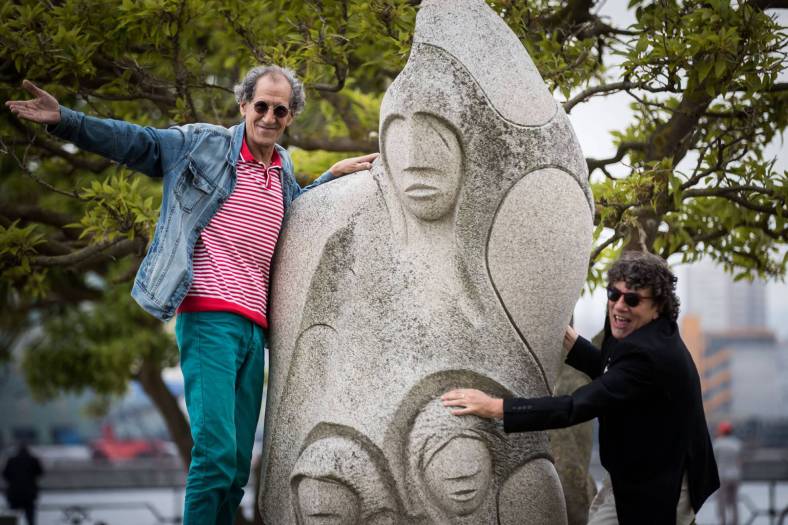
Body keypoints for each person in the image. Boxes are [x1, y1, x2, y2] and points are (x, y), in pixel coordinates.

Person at [6, 67, 376, 525]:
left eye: (280, 110)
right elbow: (138, 142)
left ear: (290, 117)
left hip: (254, 330)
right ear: (243, 105)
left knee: (237, 467)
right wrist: (65, 120)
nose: (269, 116)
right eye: (261, 105)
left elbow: (292, 217)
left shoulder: (282, 168)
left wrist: (331, 178)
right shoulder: (204, 145)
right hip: (209, 318)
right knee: (216, 455)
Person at [442, 251, 721, 525]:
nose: (620, 305)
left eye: (633, 299)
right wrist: (574, 344)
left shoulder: (649, 353)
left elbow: (574, 406)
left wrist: (495, 407)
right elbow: (617, 374)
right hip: (637, 467)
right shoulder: (643, 331)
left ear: (657, 306)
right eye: (614, 294)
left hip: (663, 479)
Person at [2, 442, 44, 525]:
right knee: (30, 518)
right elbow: (40, 473)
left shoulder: (11, 460)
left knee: (12, 517)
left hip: (14, 493)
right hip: (29, 494)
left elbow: (5, 474)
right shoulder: (33, 460)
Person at [713, 420, 743, 525]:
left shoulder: (717, 443)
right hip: (735, 476)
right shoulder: (737, 443)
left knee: (721, 502)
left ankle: (723, 522)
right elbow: (739, 461)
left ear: (721, 431)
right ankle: (735, 522)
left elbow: (714, 461)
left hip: (722, 476)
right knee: (734, 502)